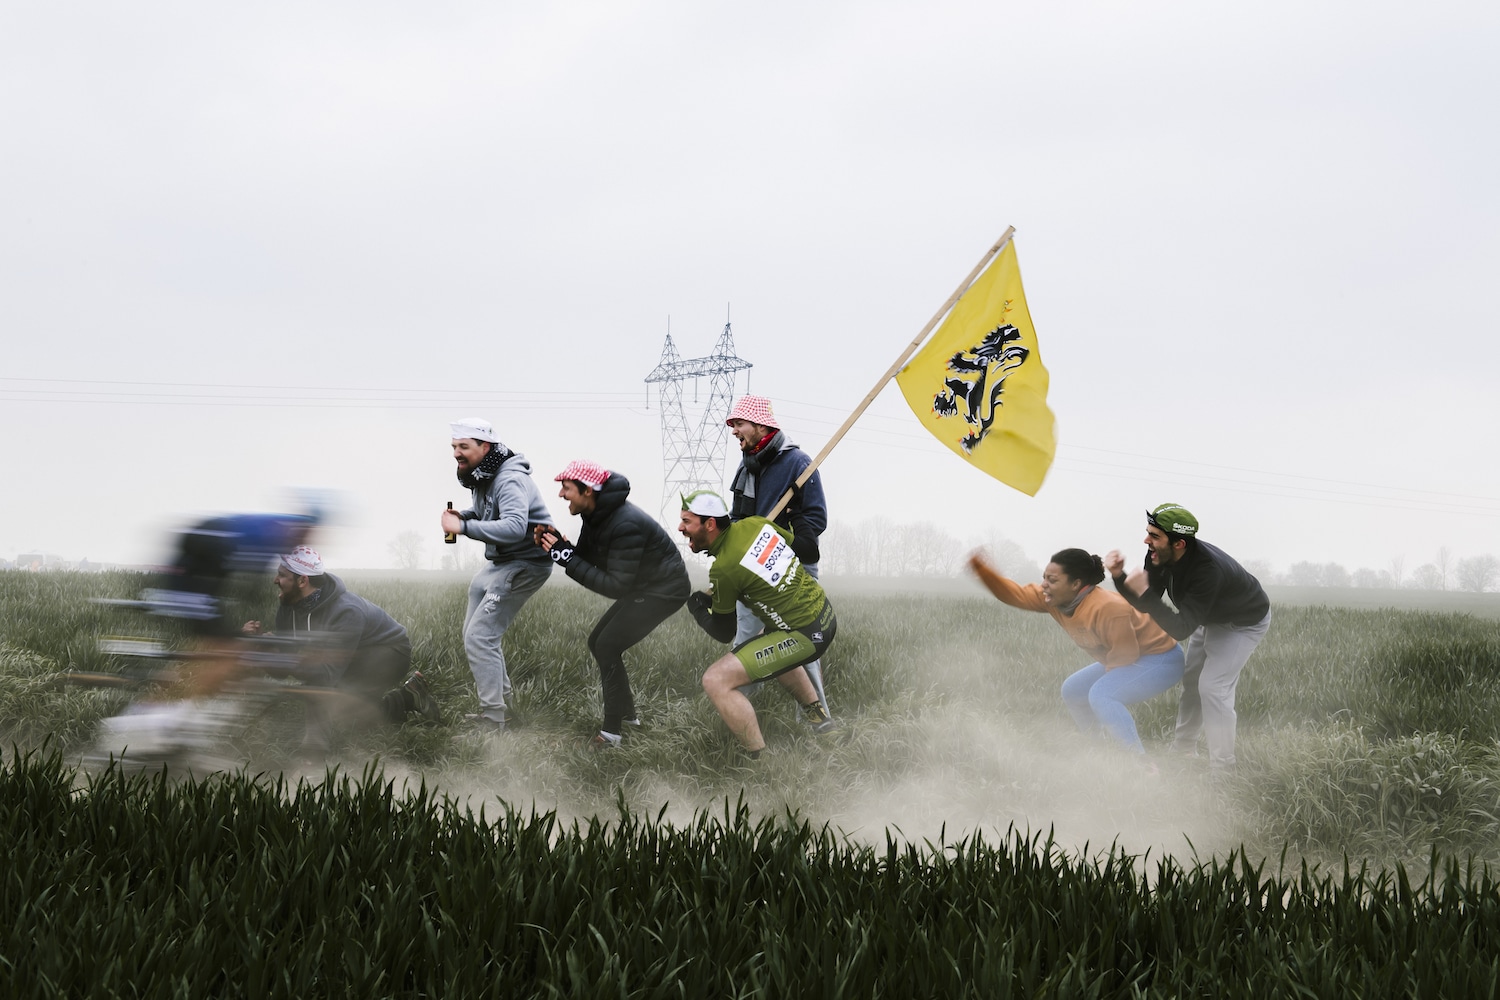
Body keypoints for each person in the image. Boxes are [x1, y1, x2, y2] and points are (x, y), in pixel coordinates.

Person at [533, 460, 691, 748]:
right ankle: (629, 719)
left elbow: (615, 585)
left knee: (607, 645)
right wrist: (560, 546)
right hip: (644, 584)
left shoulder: (624, 522)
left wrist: (566, 558)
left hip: (664, 591)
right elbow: (588, 558)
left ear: (588, 491)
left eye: (566, 489)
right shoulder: (597, 514)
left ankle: (611, 734)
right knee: (598, 641)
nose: (561, 495)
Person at [967, 547, 1185, 755]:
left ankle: (1137, 762)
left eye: (1052, 580)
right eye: (1044, 578)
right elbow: (1014, 594)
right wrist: (983, 570)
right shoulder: (1053, 599)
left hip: (1161, 660)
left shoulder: (1107, 607)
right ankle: (1098, 750)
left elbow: (1125, 655)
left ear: (1076, 584)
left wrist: (1109, 688)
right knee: (1072, 690)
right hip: (1128, 657)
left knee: (1102, 695)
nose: (1044, 585)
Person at [1105, 503, 1271, 771]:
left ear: (1179, 543)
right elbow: (1147, 601)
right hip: (1207, 618)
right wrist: (1118, 576)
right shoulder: (1158, 555)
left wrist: (1143, 593)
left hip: (1242, 624)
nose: (1147, 540)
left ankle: (1224, 769)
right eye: (1148, 532)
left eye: (1154, 536)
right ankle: (1183, 750)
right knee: (1192, 681)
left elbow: (1181, 628)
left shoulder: (1207, 571)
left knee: (1213, 688)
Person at [678, 489, 836, 758]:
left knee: (715, 680)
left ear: (710, 524)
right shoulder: (756, 524)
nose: (681, 528)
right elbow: (808, 551)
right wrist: (796, 515)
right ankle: (823, 724)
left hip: (805, 635)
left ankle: (757, 761)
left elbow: (723, 631)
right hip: (824, 617)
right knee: (771, 645)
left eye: (687, 521)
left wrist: (697, 609)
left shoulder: (724, 568)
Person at [439, 417, 554, 732]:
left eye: (463, 447)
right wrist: (463, 515)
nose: (456, 453)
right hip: (501, 562)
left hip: (526, 562)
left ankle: (494, 719)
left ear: (484, 447)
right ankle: (505, 707)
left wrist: (462, 528)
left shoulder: (509, 478)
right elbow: (487, 512)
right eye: (454, 447)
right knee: (473, 632)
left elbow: (515, 526)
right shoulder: (483, 476)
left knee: (481, 636)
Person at [242, 546, 442, 726]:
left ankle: (403, 699)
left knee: (344, 716)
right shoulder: (288, 606)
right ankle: (410, 694)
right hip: (351, 655)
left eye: (281, 575)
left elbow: (325, 675)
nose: (275, 580)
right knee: (333, 703)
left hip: (389, 652)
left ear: (303, 580)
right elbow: (282, 672)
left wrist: (294, 663)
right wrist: (263, 645)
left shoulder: (346, 611)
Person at [724, 394, 833, 724]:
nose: (733, 431)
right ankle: (735, 713)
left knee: (802, 646)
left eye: (738, 424)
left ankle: (819, 724)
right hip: (751, 569)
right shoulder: (748, 466)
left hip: (790, 569)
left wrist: (781, 541)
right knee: (745, 640)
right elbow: (738, 518)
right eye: (732, 425)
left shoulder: (798, 463)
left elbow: (816, 518)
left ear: (759, 425)